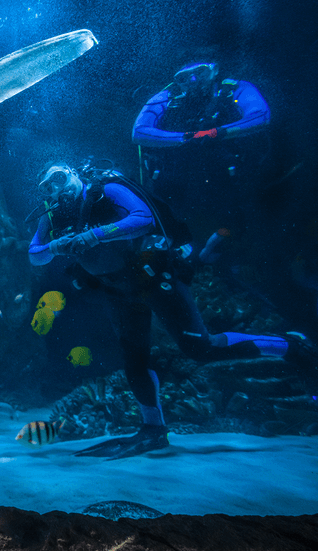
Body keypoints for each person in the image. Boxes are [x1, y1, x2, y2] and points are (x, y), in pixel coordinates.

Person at [27, 161, 315, 460]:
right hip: (116, 290)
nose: (56, 189)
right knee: (134, 359)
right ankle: (153, 430)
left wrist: (95, 235)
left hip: (153, 276)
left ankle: (290, 346)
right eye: (47, 187)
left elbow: (143, 217)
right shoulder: (53, 214)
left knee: (200, 347)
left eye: (59, 178)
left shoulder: (105, 189)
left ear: (74, 174)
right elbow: (34, 255)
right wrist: (56, 246)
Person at [131, 62, 271, 239]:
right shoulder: (166, 97)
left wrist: (216, 132)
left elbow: (261, 115)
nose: (193, 80)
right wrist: (186, 137)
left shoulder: (236, 88)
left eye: (200, 72)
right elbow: (139, 131)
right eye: (183, 77)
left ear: (215, 70)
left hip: (227, 178)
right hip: (177, 182)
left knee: (236, 226)